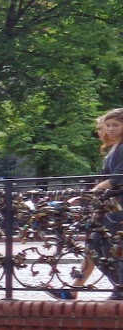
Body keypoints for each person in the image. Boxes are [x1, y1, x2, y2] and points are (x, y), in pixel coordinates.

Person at [50, 109, 123, 300]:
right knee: (97, 247)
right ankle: (77, 289)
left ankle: (117, 288)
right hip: (109, 206)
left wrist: (91, 194)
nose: (109, 129)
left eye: (115, 125)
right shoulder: (115, 148)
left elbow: (117, 178)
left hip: (117, 208)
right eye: (107, 126)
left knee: (107, 248)